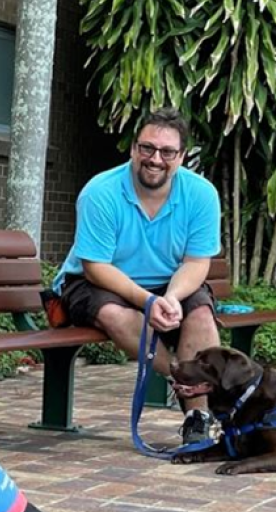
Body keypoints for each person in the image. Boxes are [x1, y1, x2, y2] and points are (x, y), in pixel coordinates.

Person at [51, 107, 221, 446]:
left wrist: (172, 298)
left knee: (200, 313)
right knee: (114, 313)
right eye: (147, 148)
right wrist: (148, 301)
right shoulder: (101, 191)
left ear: (182, 156)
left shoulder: (202, 195)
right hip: (97, 281)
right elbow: (94, 266)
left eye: (167, 151)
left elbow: (196, 263)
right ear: (133, 149)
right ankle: (182, 379)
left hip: (168, 281)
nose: (155, 158)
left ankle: (198, 417)